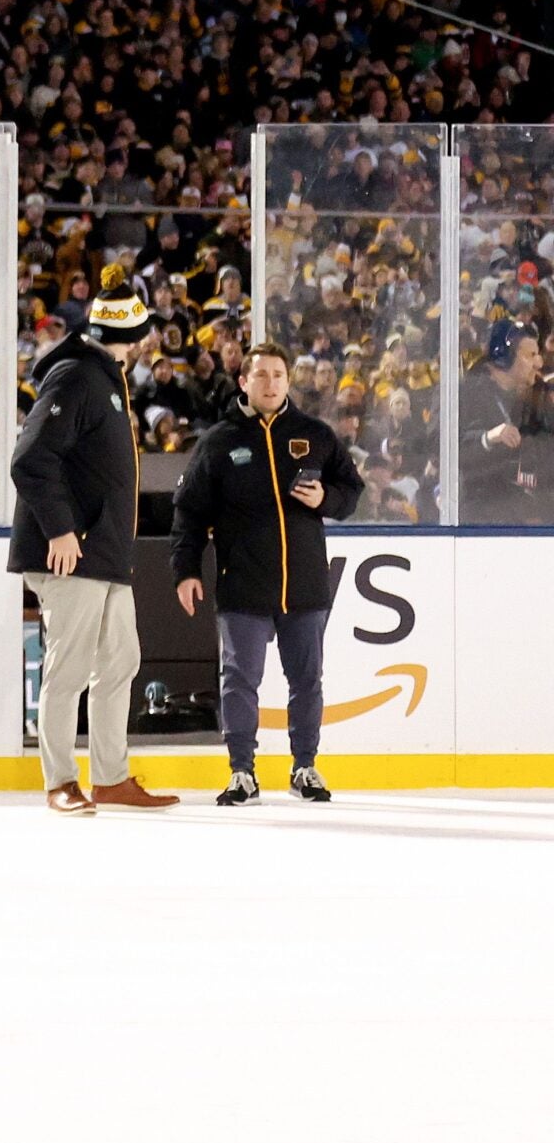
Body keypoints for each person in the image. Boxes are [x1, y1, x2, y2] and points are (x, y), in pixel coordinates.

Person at [8, 264, 178, 815]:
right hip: (71, 550)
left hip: (103, 552)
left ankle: (110, 777)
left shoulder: (106, 379)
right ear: (135, 336)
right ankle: (60, 779)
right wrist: (59, 528)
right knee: (70, 666)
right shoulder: (78, 377)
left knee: (120, 660)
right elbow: (30, 460)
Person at [170, 341, 366, 806]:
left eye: (278, 374)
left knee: (307, 680)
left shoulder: (314, 433)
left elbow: (351, 490)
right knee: (239, 679)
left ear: (287, 381)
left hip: (304, 585)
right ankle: (242, 771)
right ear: (244, 382)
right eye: (261, 375)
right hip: (243, 583)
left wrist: (327, 501)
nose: (271, 383)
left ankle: (305, 767)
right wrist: (185, 570)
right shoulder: (220, 441)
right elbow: (188, 513)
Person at [460, 325, 545, 523]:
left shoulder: (530, 400)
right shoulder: (467, 394)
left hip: (520, 511)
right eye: (531, 355)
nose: (539, 363)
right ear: (504, 356)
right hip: (482, 519)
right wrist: (487, 438)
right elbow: (440, 447)